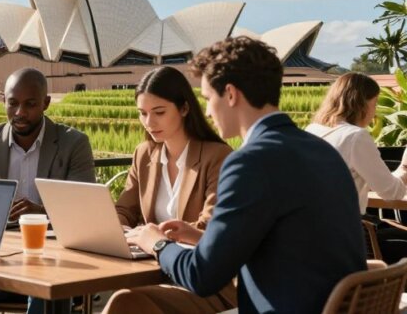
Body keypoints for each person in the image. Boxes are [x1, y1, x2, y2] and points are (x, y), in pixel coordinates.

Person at [109, 37, 365, 314]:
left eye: (208, 98)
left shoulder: (249, 162)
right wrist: (198, 237)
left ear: (230, 94)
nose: (206, 110)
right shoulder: (323, 152)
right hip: (332, 306)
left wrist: (156, 243)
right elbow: (281, 242)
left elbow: (202, 276)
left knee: (127, 303)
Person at [0, 67, 95, 314]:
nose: (20, 112)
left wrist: (42, 213)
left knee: (46, 293)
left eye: (30, 104)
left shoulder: (74, 144)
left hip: (56, 260)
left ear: (46, 103)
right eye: (13, 103)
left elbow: (84, 211)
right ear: (3, 99)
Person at [116, 66, 232, 231]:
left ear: (184, 108)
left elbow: (210, 225)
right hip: (149, 254)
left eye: (159, 112)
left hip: (191, 255)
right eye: (143, 113)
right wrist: (116, 227)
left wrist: (155, 236)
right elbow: (124, 210)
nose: (149, 123)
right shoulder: (143, 154)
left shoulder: (217, 156)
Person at [306, 72, 407, 261]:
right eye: (374, 103)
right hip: (351, 239)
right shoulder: (355, 137)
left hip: (318, 238)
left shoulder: (312, 131)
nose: (375, 111)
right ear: (361, 103)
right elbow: (392, 194)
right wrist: (405, 167)